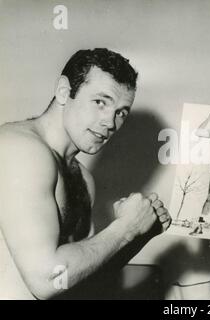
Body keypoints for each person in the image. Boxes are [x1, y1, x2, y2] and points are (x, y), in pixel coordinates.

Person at [0, 48, 172, 300]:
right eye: (100, 102)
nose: (110, 123)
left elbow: (81, 283)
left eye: (121, 112)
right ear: (63, 91)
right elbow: (46, 279)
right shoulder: (20, 149)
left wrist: (138, 235)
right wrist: (125, 227)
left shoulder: (82, 179)